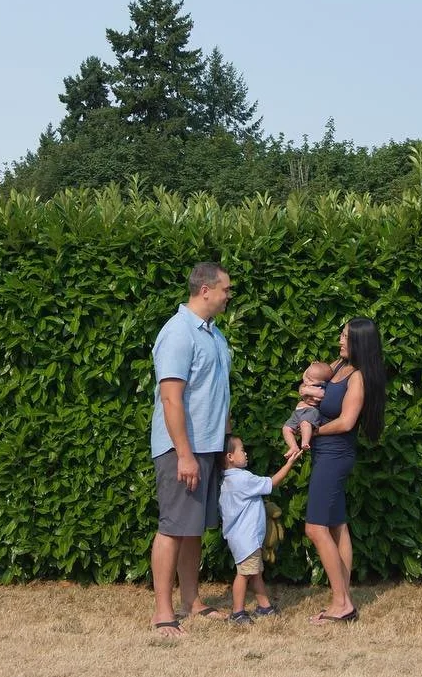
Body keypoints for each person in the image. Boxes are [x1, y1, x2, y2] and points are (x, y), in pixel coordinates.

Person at [149, 262, 234, 637]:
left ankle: (191, 601)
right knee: (172, 527)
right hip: (182, 448)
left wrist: (228, 440)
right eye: (226, 290)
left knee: (192, 528)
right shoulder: (178, 332)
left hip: (207, 448)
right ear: (205, 290)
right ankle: (163, 612)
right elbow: (171, 398)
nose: (229, 296)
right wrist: (183, 454)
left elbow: (219, 394)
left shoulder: (214, 335)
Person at [304, 317, 387, 625]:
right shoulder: (339, 366)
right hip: (325, 453)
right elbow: (311, 383)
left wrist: (313, 432)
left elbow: (347, 422)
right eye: (341, 334)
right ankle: (343, 598)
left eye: (346, 337)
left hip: (335, 455)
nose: (340, 340)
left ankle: (342, 604)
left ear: (360, 343)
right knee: (337, 525)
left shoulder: (358, 378)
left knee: (315, 528)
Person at [218, 434, 302, 623]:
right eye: (242, 450)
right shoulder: (242, 479)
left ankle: (265, 607)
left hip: (241, 539)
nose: (246, 453)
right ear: (230, 457)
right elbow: (271, 483)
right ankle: (237, 612)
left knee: (255, 573)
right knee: (244, 574)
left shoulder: (226, 481)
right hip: (247, 539)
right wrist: (289, 464)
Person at [281, 360, 334, 454]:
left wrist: (306, 390)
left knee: (305, 423)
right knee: (286, 428)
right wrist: (311, 366)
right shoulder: (310, 380)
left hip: (310, 411)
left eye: (310, 380)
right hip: (299, 411)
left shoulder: (320, 387)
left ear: (321, 382)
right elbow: (305, 376)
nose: (306, 380)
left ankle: (305, 442)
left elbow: (321, 394)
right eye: (307, 377)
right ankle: (293, 447)